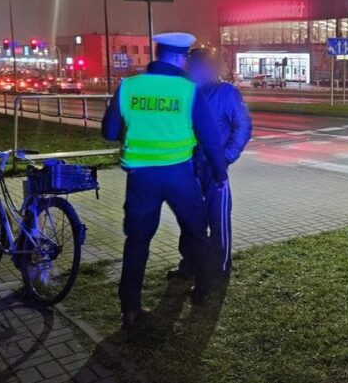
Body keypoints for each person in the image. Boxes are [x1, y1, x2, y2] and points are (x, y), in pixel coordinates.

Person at [101, 32, 228, 331]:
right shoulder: (188, 90)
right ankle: (204, 291)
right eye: (184, 56)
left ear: (158, 55)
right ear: (178, 57)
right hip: (179, 176)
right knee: (197, 234)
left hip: (141, 178)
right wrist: (220, 174)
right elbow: (210, 139)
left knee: (138, 242)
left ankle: (130, 309)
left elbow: (108, 132)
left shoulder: (129, 86)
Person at [168, 48, 252, 280]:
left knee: (218, 219)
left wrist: (226, 157)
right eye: (190, 65)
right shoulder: (185, 93)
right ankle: (190, 265)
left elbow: (243, 126)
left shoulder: (225, 92)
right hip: (188, 167)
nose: (191, 69)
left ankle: (219, 268)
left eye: (196, 65)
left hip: (214, 168)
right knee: (189, 219)